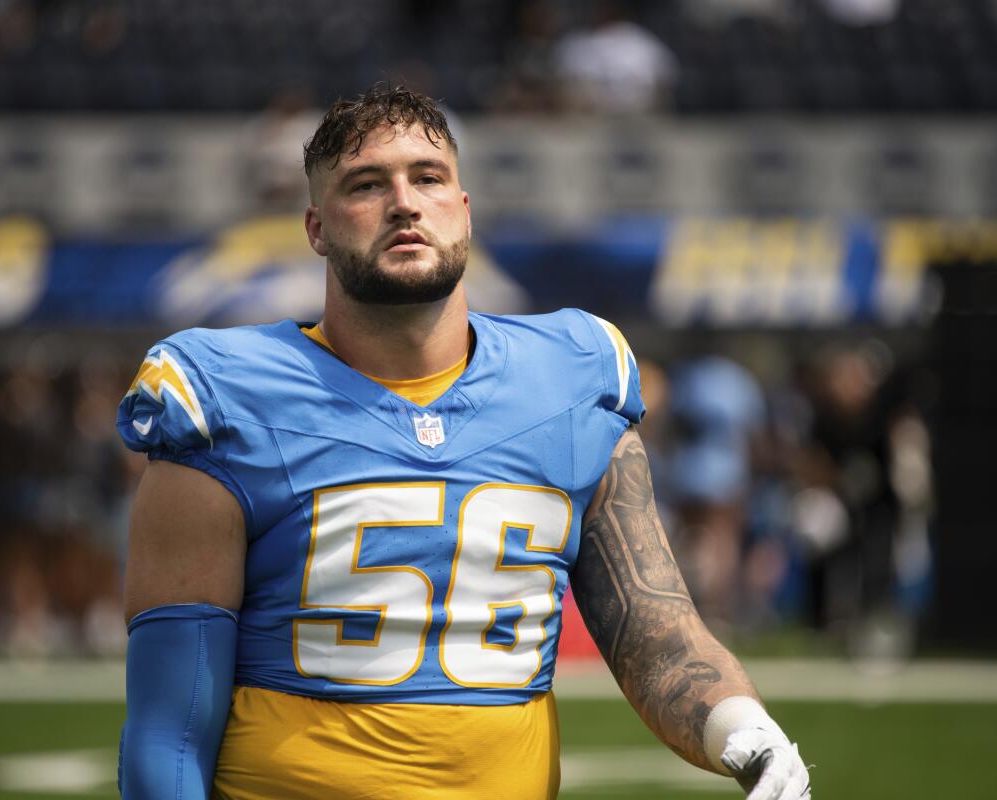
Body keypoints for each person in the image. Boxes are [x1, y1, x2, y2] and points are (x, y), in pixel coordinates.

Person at [115, 85, 810, 800]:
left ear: (465, 210)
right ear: (316, 229)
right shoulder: (227, 393)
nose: (404, 203)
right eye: (366, 185)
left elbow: (654, 630)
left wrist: (743, 731)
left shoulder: (573, 377)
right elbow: (169, 730)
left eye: (428, 177)